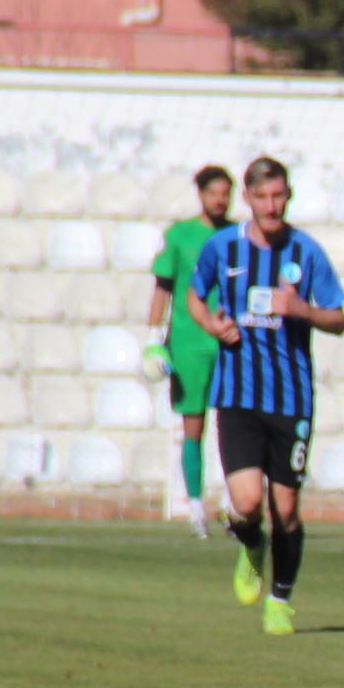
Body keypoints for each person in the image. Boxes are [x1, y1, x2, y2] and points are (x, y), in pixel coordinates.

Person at [188, 154, 344, 637]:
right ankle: (251, 547)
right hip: (238, 395)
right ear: (248, 199)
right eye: (261, 196)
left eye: (279, 195)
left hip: (292, 398)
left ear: (289, 195)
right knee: (248, 502)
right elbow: (195, 296)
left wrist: (301, 308)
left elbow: (339, 318)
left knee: (288, 510)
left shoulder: (307, 252)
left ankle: (280, 601)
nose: (271, 205)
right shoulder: (223, 248)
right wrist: (211, 324)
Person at [141, 163, 234, 539]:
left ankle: (233, 505)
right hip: (188, 343)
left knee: (233, 427)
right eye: (214, 192)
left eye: (226, 193)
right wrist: (152, 336)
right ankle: (195, 506)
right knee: (193, 426)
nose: (220, 200)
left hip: (230, 343)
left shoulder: (239, 236)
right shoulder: (180, 235)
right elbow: (162, 287)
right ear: (201, 194)